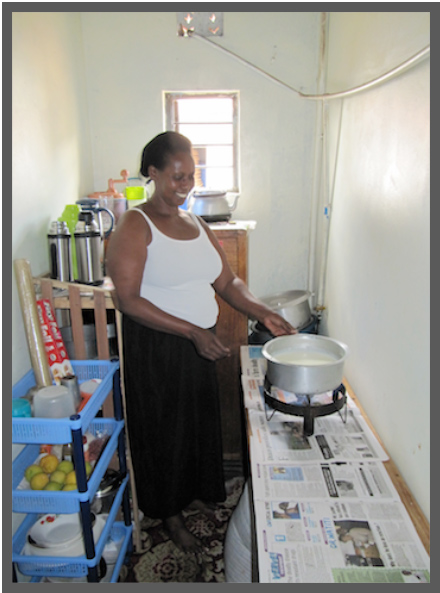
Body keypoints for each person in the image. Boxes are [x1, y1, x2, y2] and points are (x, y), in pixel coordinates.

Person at [106, 131, 295, 555]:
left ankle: (190, 491)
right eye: (176, 177)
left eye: (190, 176)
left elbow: (226, 280)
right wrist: (191, 331)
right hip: (158, 347)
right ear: (152, 174)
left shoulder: (195, 223)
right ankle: (168, 514)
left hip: (198, 343)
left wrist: (260, 311)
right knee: (163, 431)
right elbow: (128, 300)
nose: (185, 186)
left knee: (194, 424)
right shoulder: (135, 225)